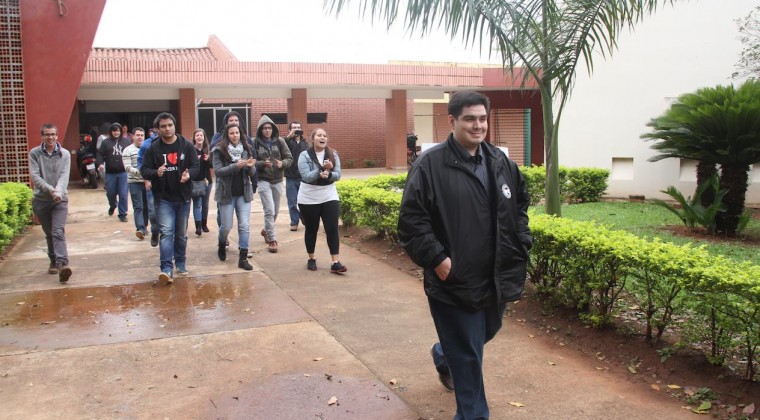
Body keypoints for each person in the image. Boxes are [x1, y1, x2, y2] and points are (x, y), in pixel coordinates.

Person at [397, 91, 532, 420]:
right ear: (452, 120)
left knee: (483, 333)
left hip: (495, 277)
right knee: (470, 358)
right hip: (454, 281)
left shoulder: (500, 162)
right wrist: (439, 260)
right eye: (470, 118)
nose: (478, 125)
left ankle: (445, 354)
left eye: (483, 118)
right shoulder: (431, 165)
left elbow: (519, 207)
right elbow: (412, 222)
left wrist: (521, 240)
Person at [140, 112, 199, 284]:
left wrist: (189, 174)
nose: (167, 129)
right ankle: (166, 268)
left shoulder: (186, 145)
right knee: (166, 233)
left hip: (183, 197)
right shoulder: (154, 148)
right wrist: (155, 173)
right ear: (157, 130)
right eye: (163, 126)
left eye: (170, 125)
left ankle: (180, 262)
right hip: (163, 198)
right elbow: (144, 170)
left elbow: (196, 166)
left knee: (181, 234)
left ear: (174, 126)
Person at [297, 128, 346, 273]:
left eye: (325, 135)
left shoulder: (333, 154)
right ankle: (311, 258)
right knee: (312, 229)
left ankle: (335, 262)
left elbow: (337, 175)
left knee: (332, 228)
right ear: (313, 139)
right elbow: (306, 176)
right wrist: (321, 169)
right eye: (319, 135)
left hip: (329, 194)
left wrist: (329, 173)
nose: (322, 137)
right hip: (309, 196)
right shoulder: (304, 155)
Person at [29, 123, 73, 283]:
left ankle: (63, 265)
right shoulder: (34, 153)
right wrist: (50, 190)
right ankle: (53, 260)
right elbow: (35, 177)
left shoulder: (65, 154)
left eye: (53, 134)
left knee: (58, 231)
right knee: (49, 234)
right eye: (47, 134)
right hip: (41, 200)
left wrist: (58, 192)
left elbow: (64, 176)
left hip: (60, 200)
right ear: (42, 136)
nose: (50, 137)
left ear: (57, 135)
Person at [212, 123, 257, 271]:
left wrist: (250, 167)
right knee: (226, 226)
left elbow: (251, 173)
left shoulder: (246, 148)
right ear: (227, 135)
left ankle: (243, 257)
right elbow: (218, 172)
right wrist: (235, 166)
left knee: (244, 225)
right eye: (232, 133)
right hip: (226, 194)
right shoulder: (219, 150)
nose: (235, 135)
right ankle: (221, 242)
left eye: (237, 133)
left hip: (243, 193)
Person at [254, 115, 293, 253]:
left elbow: (289, 158)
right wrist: (262, 164)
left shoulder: (280, 141)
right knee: (269, 210)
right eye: (264, 128)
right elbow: (251, 162)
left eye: (269, 128)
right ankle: (272, 239)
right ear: (260, 130)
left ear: (273, 129)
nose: (267, 130)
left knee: (275, 211)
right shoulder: (255, 143)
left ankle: (266, 230)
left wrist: (282, 163)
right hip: (263, 180)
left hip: (277, 180)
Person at [97, 122, 131, 222]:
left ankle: (122, 214)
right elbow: (100, 154)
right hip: (110, 173)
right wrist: (99, 164)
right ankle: (113, 205)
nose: (116, 132)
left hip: (123, 173)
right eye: (114, 131)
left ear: (120, 131)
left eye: (118, 130)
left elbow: (131, 154)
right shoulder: (106, 142)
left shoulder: (126, 142)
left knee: (123, 194)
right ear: (111, 132)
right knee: (110, 193)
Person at [122, 127, 149, 239]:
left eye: (142, 135)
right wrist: (142, 173)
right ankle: (140, 229)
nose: (140, 137)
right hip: (134, 182)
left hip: (148, 183)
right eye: (137, 135)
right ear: (132, 136)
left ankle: (145, 226)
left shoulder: (149, 149)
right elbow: (127, 167)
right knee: (138, 207)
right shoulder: (127, 150)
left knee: (148, 206)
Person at [284, 121, 310, 231]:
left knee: (304, 201)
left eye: (298, 127)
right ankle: (294, 221)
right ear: (290, 130)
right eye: (293, 128)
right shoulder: (286, 142)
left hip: (303, 177)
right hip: (290, 176)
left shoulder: (305, 143)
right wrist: (288, 137)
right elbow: (277, 145)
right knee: (292, 201)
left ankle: (303, 216)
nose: (296, 130)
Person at [137, 126, 160, 247]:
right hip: (152, 181)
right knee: (153, 211)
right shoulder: (147, 145)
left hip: (171, 183)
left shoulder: (176, 142)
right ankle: (155, 231)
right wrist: (146, 179)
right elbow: (141, 163)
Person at [191, 128, 213, 236]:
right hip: (195, 181)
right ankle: (198, 226)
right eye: (197, 135)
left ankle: (204, 224)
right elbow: (188, 165)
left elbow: (212, 165)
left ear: (204, 138)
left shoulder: (207, 150)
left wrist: (208, 159)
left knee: (205, 204)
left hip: (207, 181)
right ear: (194, 138)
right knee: (197, 204)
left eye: (201, 135)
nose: (199, 137)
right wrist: (196, 159)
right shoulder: (191, 150)